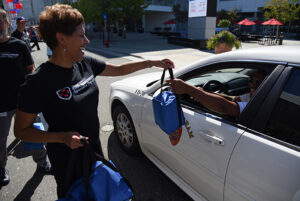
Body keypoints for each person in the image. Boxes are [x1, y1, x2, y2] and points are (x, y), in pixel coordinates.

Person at [13, 4, 174, 198]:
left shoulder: (84, 63)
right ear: (61, 38)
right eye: (81, 35)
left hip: (94, 153)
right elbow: (21, 131)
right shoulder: (37, 82)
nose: (87, 40)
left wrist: (152, 62)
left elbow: (118, 69)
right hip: (68, 162)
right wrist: (62, 138)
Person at [0, 9, 51, 187]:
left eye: (0, 21)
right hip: (2, 106)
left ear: (7, 23)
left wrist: (36, 93)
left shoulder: (19, 45)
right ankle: (1, 169)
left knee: (35, 135)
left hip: (24, 102)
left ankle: (43, 162)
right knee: (1, 140)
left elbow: (31, 70)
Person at [166, 70, 266, 117]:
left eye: (258, 83)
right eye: (251, 80)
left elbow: (226, 107)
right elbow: (233, 99)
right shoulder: (252, 96)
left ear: (266, 84)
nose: (252, 85)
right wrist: (204, 93)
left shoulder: (262, 103)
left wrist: (189, 89)